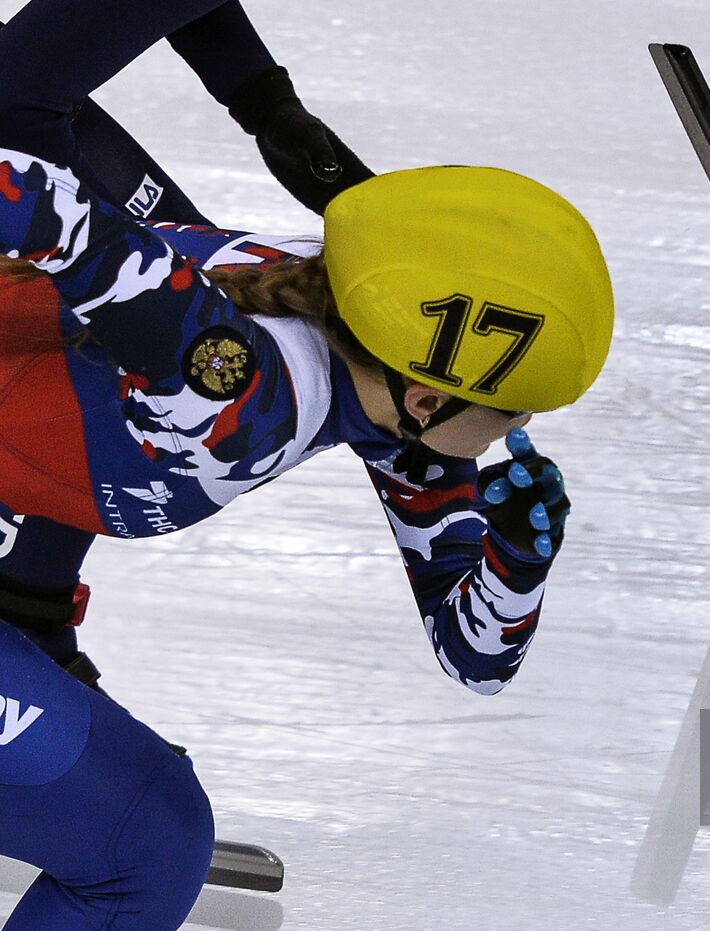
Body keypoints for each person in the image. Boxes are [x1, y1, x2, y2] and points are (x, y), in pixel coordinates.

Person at [0, 1, 612, 927]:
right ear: (427, 396)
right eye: (512, 412)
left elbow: (474, 655)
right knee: (147, 841)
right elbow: (28, 176)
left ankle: (29, 621)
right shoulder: (234, 396)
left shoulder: (343, 316)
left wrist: (515, 561)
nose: (511, 435)